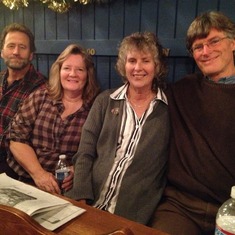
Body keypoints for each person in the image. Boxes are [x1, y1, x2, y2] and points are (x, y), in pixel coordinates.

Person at [65, 32, 170, 224]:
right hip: (88, 202)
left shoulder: (168, 109)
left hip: (132, 213)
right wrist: (81, 195)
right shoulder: (105, 100)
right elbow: (85, 152)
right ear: (124, 65)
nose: (138, 68)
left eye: (145, 61)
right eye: (132, 60)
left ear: (156, 66)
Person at [149, 11, 235, 235]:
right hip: (180, 207)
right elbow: (142, 95)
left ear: (233, 43)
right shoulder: (182, 90)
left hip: (231, 209)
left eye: (214, 41)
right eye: (198, 47)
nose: (206, 52)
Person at [6, 44, 99, 194]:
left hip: (68, 187)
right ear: (59, 71)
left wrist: (78, 169)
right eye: (67, 68)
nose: (72, 74)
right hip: (26, 178)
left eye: (80, 69)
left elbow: (103, 151)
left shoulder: (96, 106)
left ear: (88, 74)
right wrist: (39, 174)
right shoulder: (41, 96)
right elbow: (16, 138)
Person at [0, 23, 47, 176]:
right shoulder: (1, 78)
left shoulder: (42, 89)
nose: (16, 52)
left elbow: (15, 137)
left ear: (31, 54)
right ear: (2, 52)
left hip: (13, 164)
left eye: (22, 47)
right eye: (11, 46)